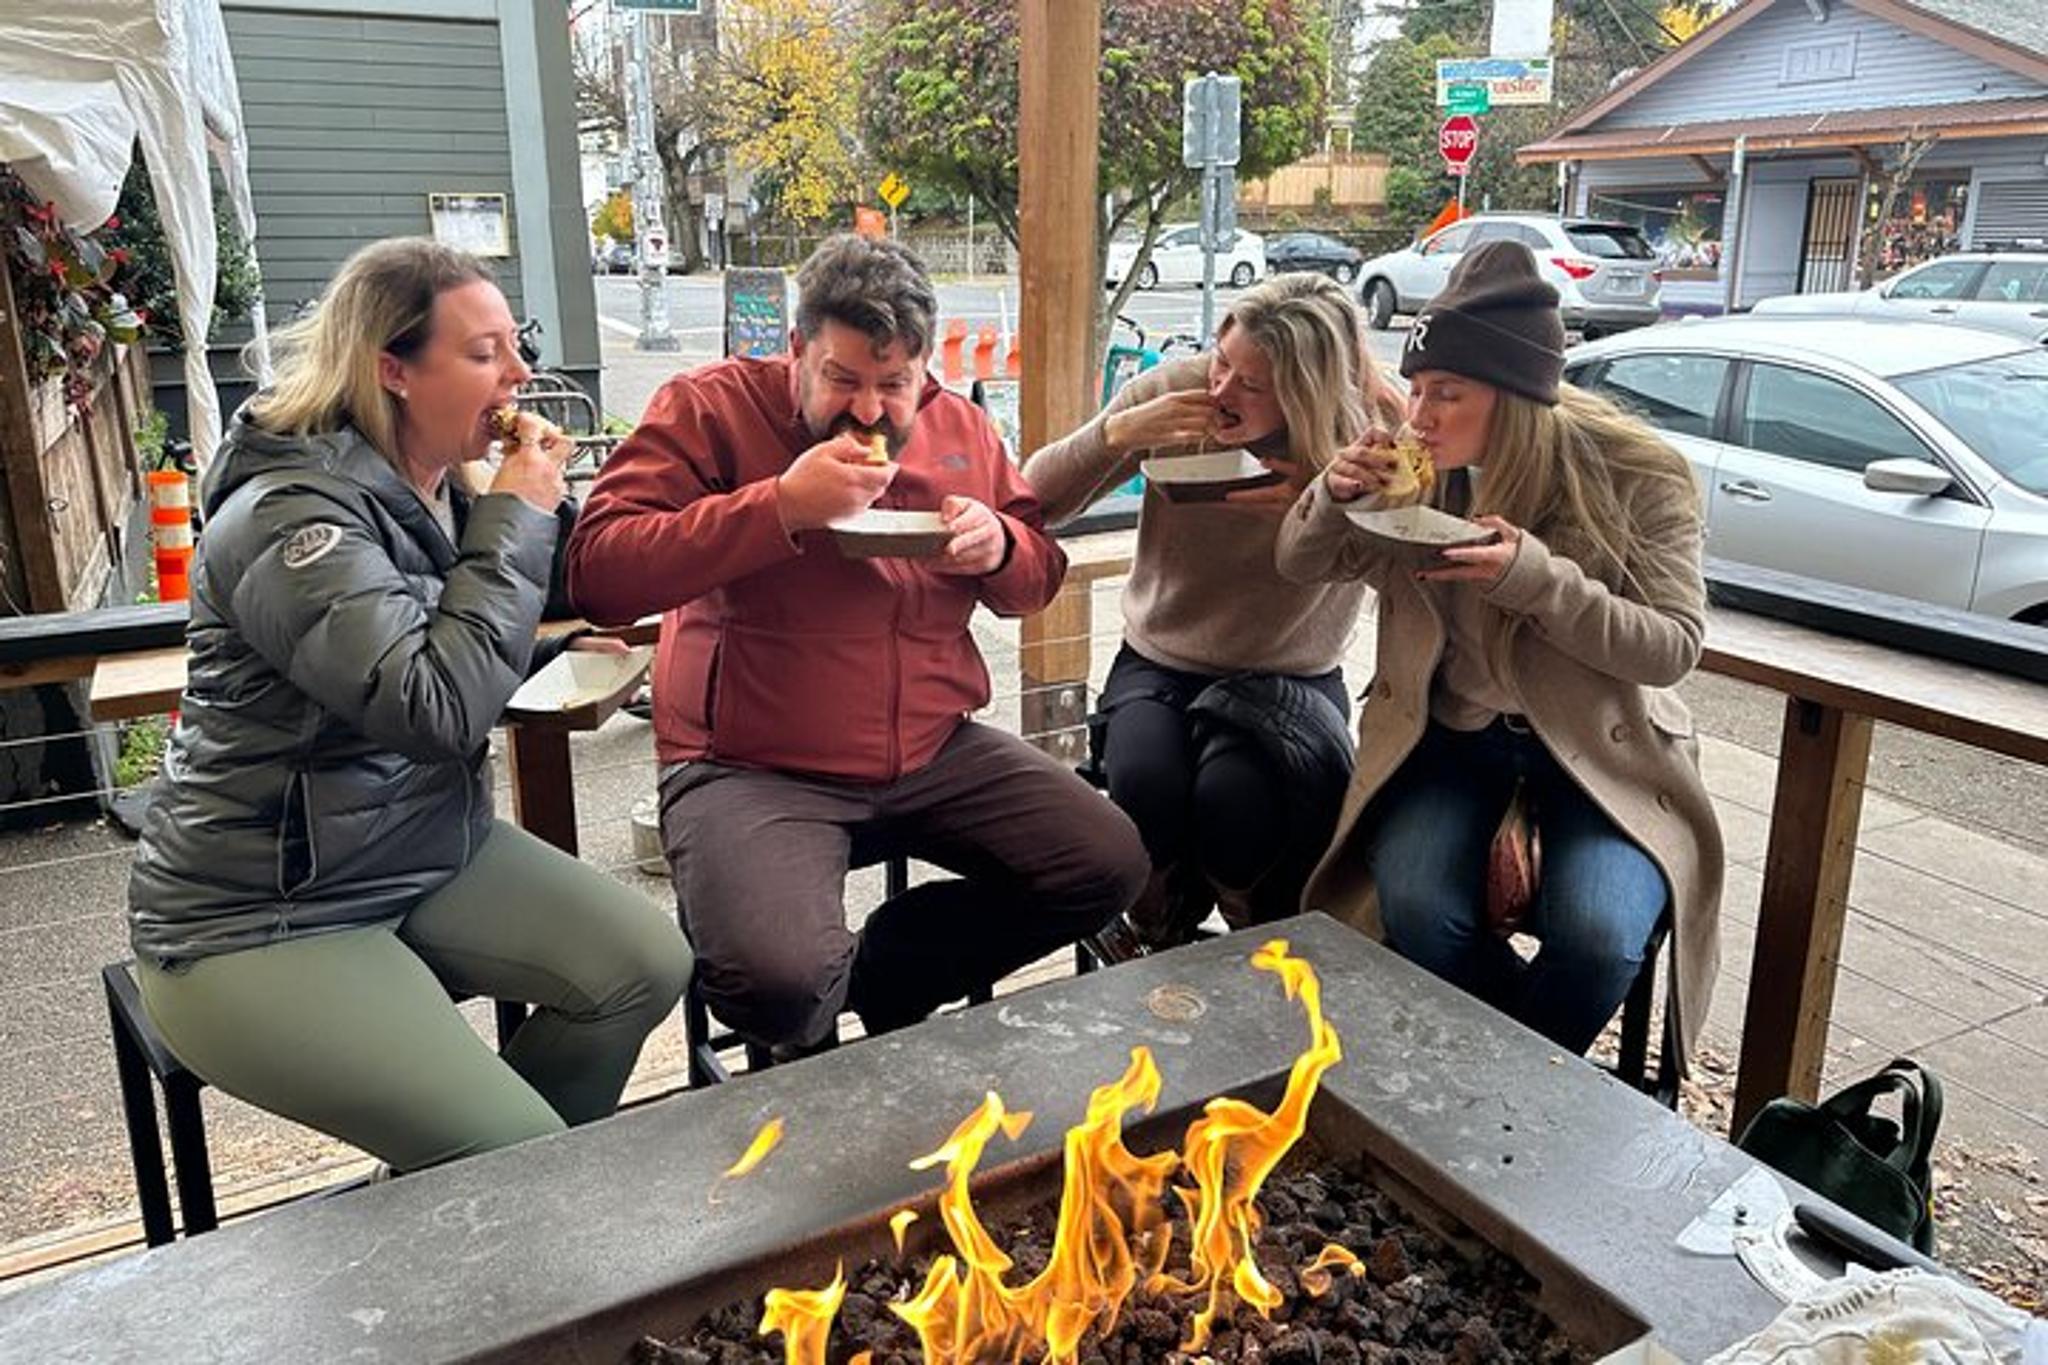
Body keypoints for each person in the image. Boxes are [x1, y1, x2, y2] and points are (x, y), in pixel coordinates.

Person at [127, 238, 692, 1173]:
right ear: (392, 368)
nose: (519, 375)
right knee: (514, 1148)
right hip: (260, 913)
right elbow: (431, 706)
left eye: (518, 345)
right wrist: (516, 513)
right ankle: (505, 1186)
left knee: (644, 962)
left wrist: (549, 629)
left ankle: (485, 1195)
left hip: (419, 847)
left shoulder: (436, 488)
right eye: (484, 354)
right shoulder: (291, 516)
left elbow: (482, 619)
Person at [566, 234, 1146, 1053]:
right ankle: (812, 1063)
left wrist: (1001, 547)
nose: (868, 411)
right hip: (750, 760)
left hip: (932, 748)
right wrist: (778, 507)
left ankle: (892, 969)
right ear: (797, 351)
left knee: (1107, 863)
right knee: (778, 979)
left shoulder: (962, 428)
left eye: (893, 385)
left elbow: (1036, 576)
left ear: (925, 369)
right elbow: (597, 572)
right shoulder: (710, 408)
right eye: (841, 379)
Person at [1274, 240, 1723, 1060]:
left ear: (1515, 395)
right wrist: (1330, 495)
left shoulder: (1637, 476)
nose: (1419, 416)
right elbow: (1301, 564)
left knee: (1600, 938)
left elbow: (1671, 647)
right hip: (1451, 741)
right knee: (1414, 903)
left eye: (1446, 393)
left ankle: (1502, 1078)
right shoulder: (1419, 476)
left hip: (1599, 748)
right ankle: (1517, 1072)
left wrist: (1537, 579)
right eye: (1414, 390)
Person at [1022, 273, 1405, 946]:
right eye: (1222, 361)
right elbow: (1031, 499)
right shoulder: (1179, 393)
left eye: (1251, 384)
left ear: (1308, 389)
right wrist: (1115, 435)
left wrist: (1321, 513)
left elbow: (1414, 573)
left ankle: (1252, 933)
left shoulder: (1373, 431)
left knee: (1237, 805)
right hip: (1161, 656)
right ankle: (1155, 923)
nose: (1221, 389)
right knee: (1146, 785)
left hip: (1289, 671)